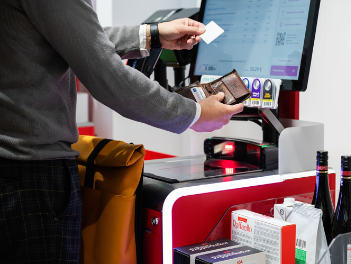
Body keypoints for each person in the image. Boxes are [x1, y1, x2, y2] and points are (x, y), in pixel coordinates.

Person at [0, 0, 244, 263]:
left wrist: (152, 35)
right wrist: (193, 113)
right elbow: (105, 72)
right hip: (28, 177)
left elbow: (76, 36)